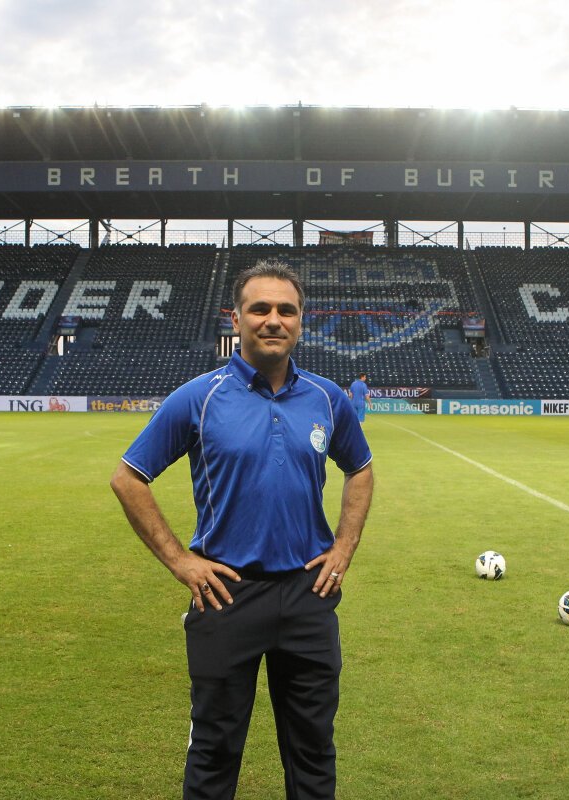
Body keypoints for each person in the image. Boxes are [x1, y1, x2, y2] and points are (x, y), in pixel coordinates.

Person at [111, 260, 374, 800]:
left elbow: (361, 469)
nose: (273, 319)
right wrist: (181, 561)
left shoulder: (327, 398)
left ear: (301, 321)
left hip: (308, 593)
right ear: (236, 319)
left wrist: (343, 547)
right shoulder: (199, 397)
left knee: (313, 751)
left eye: (286, 310)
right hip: (225, 594)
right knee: (214, 750)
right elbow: (128, 478)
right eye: (260, 309)